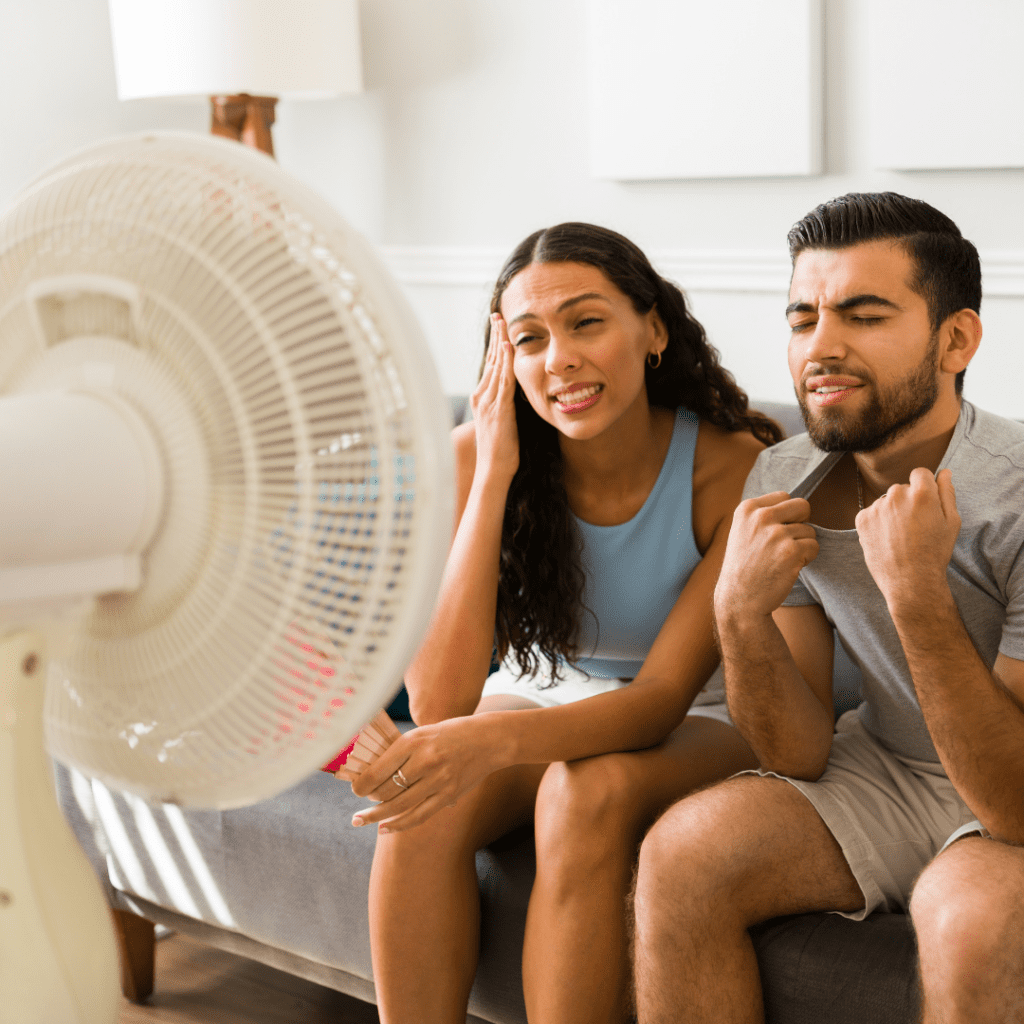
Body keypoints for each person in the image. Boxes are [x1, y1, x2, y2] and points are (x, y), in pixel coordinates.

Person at [342, 221, 782, 1024]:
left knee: (582, 792)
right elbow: (440, 704)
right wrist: (493, 474)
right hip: (552, 690)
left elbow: (658, 699)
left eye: (586, 323)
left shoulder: (733, 464)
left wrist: (487, 743)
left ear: (652, 329)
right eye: (530, 339)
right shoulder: (479, 455)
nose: (560, 359)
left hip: (704, 711)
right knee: (421, 800)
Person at [631, 192, 1024, 1024]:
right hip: (882, 767)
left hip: (1011, 790)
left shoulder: (1017, 496)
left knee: (968, 920)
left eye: (863, 315)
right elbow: (796, 752)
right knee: (681, 853)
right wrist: (737, 616)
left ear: (957, 339)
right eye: (802, 318)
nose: (822, 347)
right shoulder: (784, 477)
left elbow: (1012, 803)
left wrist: (915, 594)